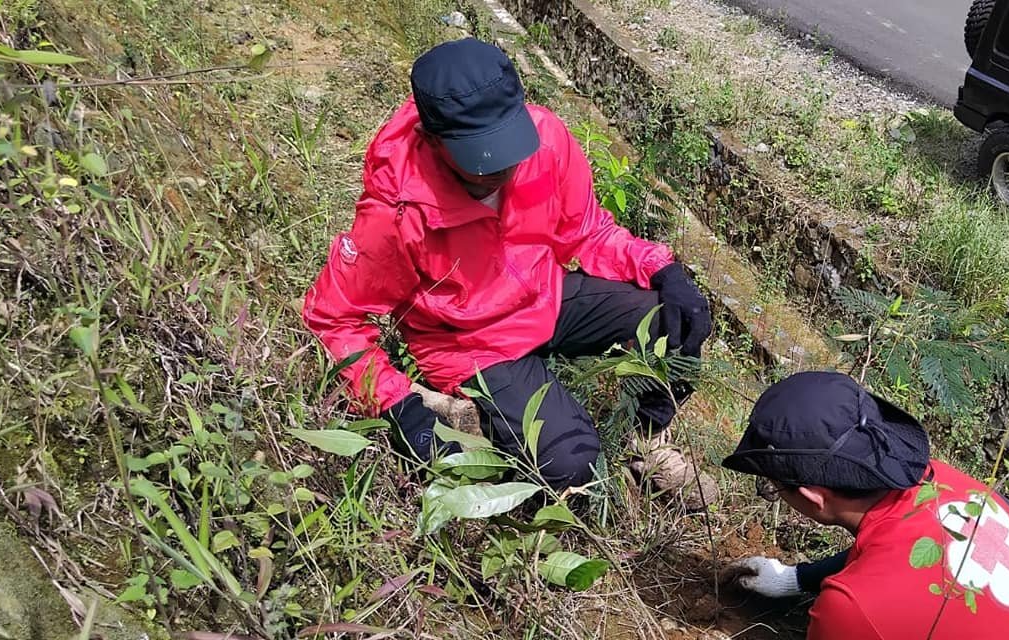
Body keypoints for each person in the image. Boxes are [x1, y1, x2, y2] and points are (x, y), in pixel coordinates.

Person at [302, 38, 714, 502]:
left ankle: (645, 439)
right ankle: (469, 417)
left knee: (676, 318)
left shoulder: (548, 139)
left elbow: (587, 230)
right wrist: (397, 405)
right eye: (482, 157)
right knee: (574, 468)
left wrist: (662, 268)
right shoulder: (397, 211)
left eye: (509, 145)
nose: (502, 167)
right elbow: (334, 318)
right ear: (435, 141)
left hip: (545, 294)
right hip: (470, 343)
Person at [722, 372, 1009, 639]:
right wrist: (798, 579)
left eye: (773, 488)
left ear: (812, 495)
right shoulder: (944, 481)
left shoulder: (851, 612)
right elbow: (899, 550)